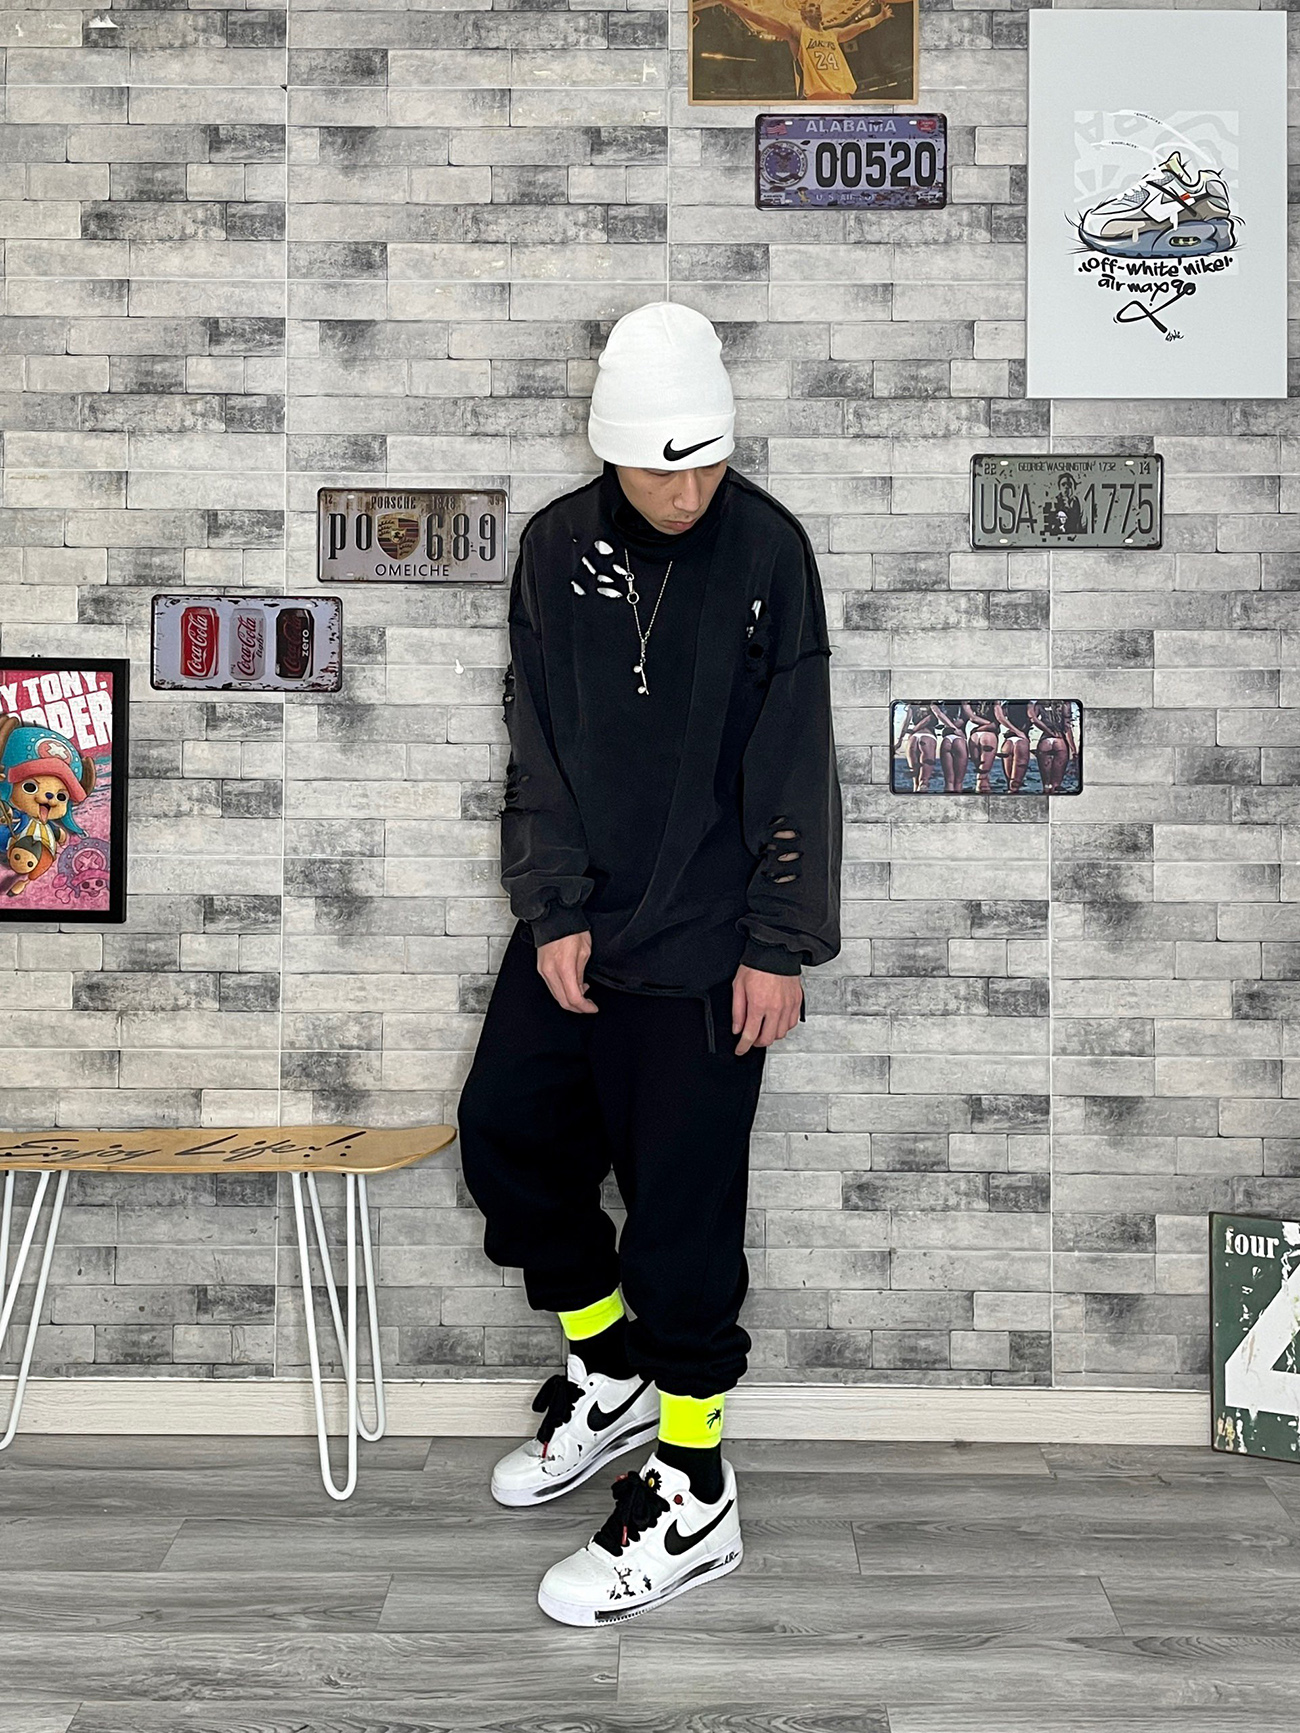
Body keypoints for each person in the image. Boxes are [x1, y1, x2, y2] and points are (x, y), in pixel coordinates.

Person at [458, 302, 842, 1627]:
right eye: (662, 469)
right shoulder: (553, 547)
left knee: (683, 1219)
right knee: (506, 1133)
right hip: (582, 921)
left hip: (710, 946)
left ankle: (693, 1488)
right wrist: (550, 907)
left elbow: (794, 752)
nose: (688, 490)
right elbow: (539, 739)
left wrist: (781, 941)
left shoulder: (769, 550)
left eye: (708, 463)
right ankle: (608, 1369)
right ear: (610, 449)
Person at [703, 0, 893, 100]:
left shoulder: (833, 34)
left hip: (845, 96)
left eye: (817, 6)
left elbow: (858, 28)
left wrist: (881, 17)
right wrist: (728, 2)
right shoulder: (798, 33)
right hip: (817, 98)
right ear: (803, 15)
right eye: (811, 7)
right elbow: (761, 19)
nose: (816, 8)